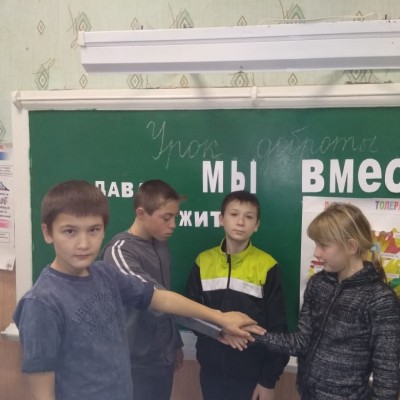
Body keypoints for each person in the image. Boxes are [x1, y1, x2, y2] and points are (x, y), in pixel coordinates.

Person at [13, 180, 264, 400]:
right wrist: (218, 324)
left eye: (94, 230)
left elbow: (159, 298)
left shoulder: (106, 274)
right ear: (47, 232)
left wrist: (220, 318)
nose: (83, 243)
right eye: (69, 231)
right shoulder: (41, 303)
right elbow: (43, 388)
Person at [251, 203, 400, 400]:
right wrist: (251, 334)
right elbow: (301, 342)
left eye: (323, 245)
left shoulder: (380, 300)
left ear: (351, 246)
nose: (316, 253)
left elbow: (387, 378)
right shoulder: (318, 284)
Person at [186, 190, 289, 400]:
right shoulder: (203, 261)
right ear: (221, 219)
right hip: (212, 372)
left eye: (249, 217)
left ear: (256, 225)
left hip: (252, 375)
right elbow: (190, 315)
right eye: (234, 214)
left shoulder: (267, 266)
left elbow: (279, 331)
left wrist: (267, 380)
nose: (240, 222)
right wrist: (220, 331)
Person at [100, 179, 185, 400]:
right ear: (141, 213)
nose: (173, 225)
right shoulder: (119, 251)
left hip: (162, 357)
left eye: (175, 217)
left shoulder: (160, 244)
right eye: (166, 218)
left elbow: (165, 292)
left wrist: (175, 342)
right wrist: (219, 320)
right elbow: (159, 298)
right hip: (134, 362)